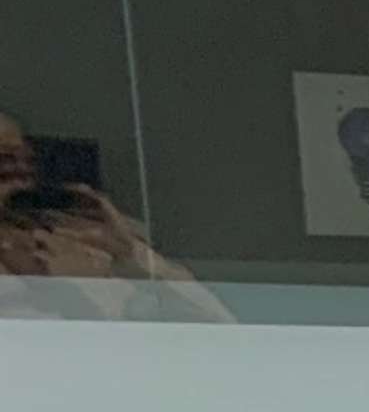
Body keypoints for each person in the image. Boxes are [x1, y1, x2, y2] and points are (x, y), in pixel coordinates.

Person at [0, 111, 224, 317]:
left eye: (27, 159)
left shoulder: (87, 237)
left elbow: (219, 324)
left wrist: (131, 254)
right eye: (5, 159)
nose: (20, 170)